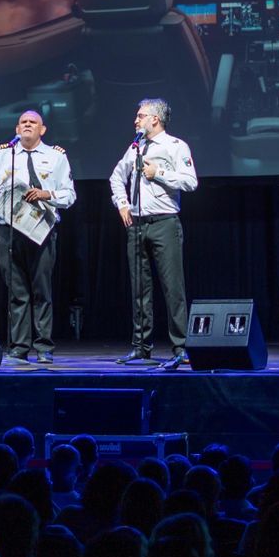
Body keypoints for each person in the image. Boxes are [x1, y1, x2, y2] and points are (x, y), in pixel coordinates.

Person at [0, 110, 75, 363]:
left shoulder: (56, 156)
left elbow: (70, 195)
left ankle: (44, 347)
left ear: (42, 130)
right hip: (9, 231)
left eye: (33, 123)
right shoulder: (2, 154)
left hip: (42, 230)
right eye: (23, 123)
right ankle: (18, 346)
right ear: (17, 129)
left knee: (41, 291)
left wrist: (46, 195)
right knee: (17, 292)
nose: (27, 125)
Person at [108, 97, 197, 367]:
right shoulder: (135, 147)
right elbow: (116, 177)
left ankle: (180, 346)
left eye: (140, 116)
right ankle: (140, 347)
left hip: (165, 223)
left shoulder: (175, 146)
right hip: (137, 225)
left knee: (173, 288)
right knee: (139, 289)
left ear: (154, 119)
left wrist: (158, 172)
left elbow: (191, 182)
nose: (136, 120)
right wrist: (122, 203)